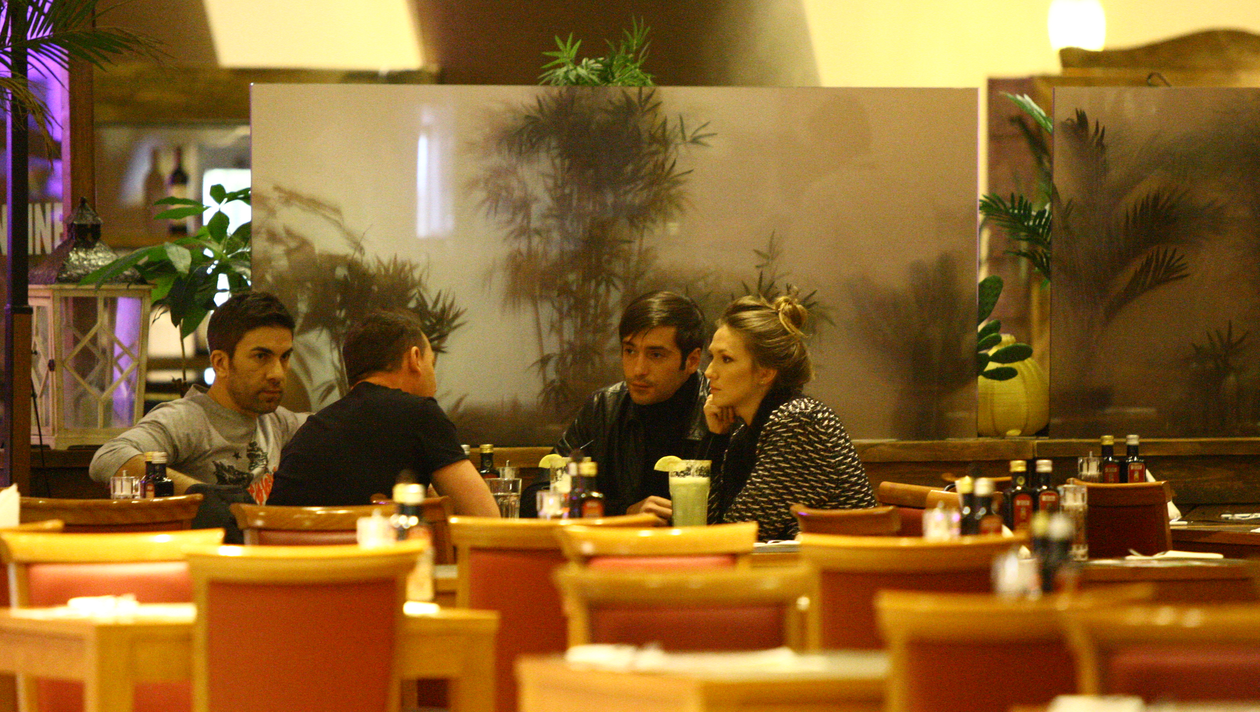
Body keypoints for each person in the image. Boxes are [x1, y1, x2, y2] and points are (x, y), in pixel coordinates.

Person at [269, 310, 499, 516]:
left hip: (282, 549)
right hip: (368, 551)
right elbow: (485, 517)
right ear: (415, 358)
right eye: (431, 362)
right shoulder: (421, 414)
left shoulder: (314, 427)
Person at [90, 292, 306, 504]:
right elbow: (108, 458)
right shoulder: (186, 420)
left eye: (285, 356)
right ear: (221, 363)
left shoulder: (278, 422)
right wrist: (200, 493)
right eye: (261, 356)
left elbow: (323, 426)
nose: (278, 373)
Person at [703, 293, 876, 541]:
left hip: (845, 562)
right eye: (712, 357)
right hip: (800, 561)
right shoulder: (747, 429)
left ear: (765, 373)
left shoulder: (799, 421)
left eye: (726, 359)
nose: (709, 372)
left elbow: (737, 532)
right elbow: (706, 524)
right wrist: (716, 438)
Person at [554, 291, 719, 523]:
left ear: (691, 361)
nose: (638, 369)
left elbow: (735, 513)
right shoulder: (604, 408)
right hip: (617, 544)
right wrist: (624, 515)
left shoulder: (718, 409)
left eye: (656, 355)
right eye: (630, 351)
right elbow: (542, 496)